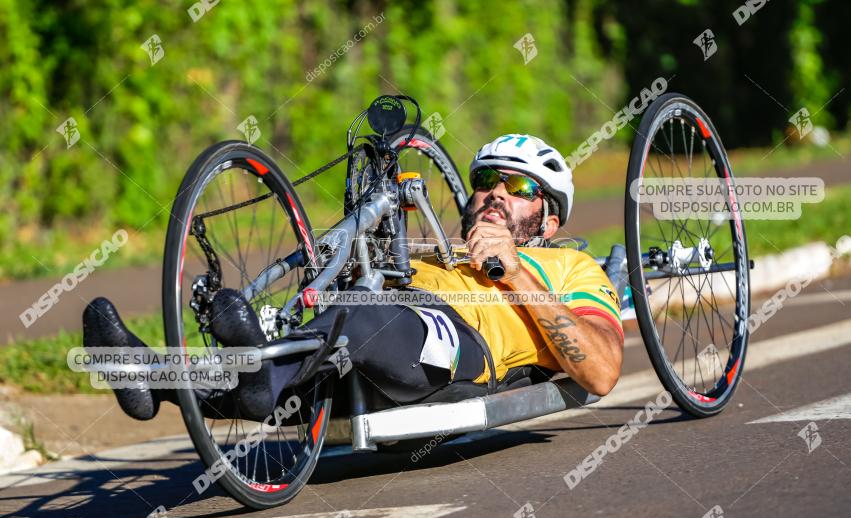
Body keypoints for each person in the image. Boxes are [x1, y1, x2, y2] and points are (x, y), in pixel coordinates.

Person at [83, 134, 623, 421]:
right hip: (379, 347)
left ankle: (257, 379)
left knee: (357, 319)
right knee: (329, 330)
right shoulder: (438, 248)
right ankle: (150, 373)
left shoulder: (568, 267)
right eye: (486, 180)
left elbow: (601, 372)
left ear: (549, 220)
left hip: (464, 348)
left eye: (520, 187)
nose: (496, 193)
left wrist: (515, 272)